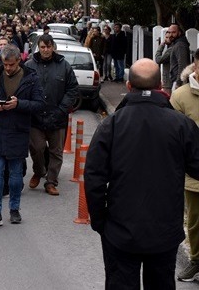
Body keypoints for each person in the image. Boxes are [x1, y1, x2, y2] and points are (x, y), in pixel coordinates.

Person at [85, 59, 199, 289]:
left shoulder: (112, 125)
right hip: (164, 230)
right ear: (160, 86)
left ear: (128, 86)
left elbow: (94, 178)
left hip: (120, 229)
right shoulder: (181, 125)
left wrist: (100, 221)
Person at [0, 44, 44, 228]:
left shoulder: (30, 78)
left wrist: (19, 104)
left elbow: (39, 104)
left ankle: (14, 209)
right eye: (5, 65)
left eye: (11, 65)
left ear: (19, 62)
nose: (7, 68)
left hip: (18, 131)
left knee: (15, 175)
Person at [25, 34, 79, 196]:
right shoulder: (29, 65)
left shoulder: (64, 66)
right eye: (43, 47)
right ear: (38, 48)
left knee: (56, 152)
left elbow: (72, 90)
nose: (46, 50)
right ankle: (39, 170)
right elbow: (23, 89)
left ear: (53, 47)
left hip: (58, 117)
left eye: (49, 47)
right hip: (35, 117)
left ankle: (51, 181)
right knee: (37, 148)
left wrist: (62, 109)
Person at [171, 51, 199, 281]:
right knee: (195, 222)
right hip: (193, 173)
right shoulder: (180, 96)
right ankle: (197, 261)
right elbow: (172, 136)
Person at [168, 24, 190, 90]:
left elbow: (182, 64)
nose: (171, 35)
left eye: (173, 32)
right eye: (169, 32)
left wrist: (178, 83)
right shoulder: (177, 44)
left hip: (179, 82)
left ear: (179, 33)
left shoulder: (180, 45)